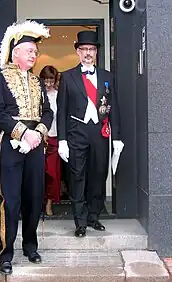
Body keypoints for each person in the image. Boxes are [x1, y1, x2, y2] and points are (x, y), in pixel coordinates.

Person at [0, 20, 53, 275]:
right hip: (11, 144)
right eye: (30, 50)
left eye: (35, 52)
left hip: (35, 145)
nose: (34, 55)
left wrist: (37, 132)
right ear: (16, 52)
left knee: (34, 198)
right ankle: (6, 253)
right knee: (11, 200)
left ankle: (30, 246)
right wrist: (23, 132)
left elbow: (47, 112)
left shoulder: (37, 82)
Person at [57, 30, 124, 237]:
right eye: (84, 49)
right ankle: (80, 222)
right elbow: (62, 110)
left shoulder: (107, 76)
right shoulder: (67, 77)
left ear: (96, 52)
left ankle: (94, 216)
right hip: (76, 131)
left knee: (98, 174)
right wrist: (62, 140)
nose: (88, 53)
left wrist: (118, 137)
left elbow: (114, 107)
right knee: (78, 176)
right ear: (77, 51)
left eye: (92, 49)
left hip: (99, 132)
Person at [39, 65, 61, 216]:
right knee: (39, 174)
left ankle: (49, 204)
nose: (48, 84)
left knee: (53, 173)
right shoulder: (36, 95)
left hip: (55, 137)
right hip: (38, 139)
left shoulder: (59, 95)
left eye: (51, 80)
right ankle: (37, 202)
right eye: (45, 80)